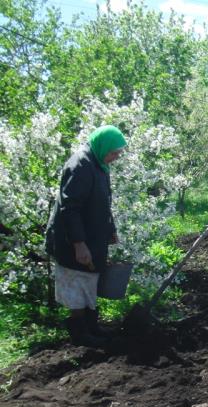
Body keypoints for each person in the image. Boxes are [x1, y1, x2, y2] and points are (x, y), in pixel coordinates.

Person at [45, 125, 127, 347]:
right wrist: (79, 244)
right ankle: (80, 333)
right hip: (72, 238)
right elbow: (70, 207)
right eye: (115, 152)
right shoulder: (80, 164)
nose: (117, 157)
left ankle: (92, 327)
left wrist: (110, 229)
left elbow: (103, 201)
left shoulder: (99, 164)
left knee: (89, 280)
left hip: (92, 234)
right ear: (103, 146)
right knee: (76, 282)